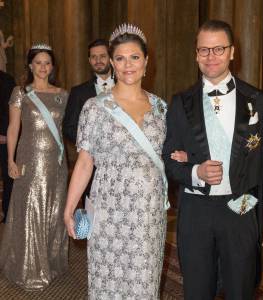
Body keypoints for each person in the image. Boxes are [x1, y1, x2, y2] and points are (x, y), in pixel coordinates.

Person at [162, 20, 263, 300]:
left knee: (241, 289)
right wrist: (195, 172)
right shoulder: (181, 102)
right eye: (204, 50)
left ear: (232, 52)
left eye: (218, 49)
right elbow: (169, 160)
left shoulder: (257, 100)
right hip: (196, 212)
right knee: (197, 292)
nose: (210, 56)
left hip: (241, 208)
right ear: (195, 54)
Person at [64, 24, 168, 299]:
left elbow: (170, 155)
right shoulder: (95, 107)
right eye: (120, 58)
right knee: (107, 281)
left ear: (146, 62)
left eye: (135, 57)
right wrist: (69, 206)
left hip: (148, 213)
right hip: (108, 211)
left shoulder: (161, 108)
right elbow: (85, 161)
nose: (128, 65)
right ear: (112, 63)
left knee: (144, 283)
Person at [0, 43, 68, 290]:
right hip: (29, 160)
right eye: (38, 62)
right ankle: (28, 266)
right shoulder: (21, 93)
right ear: (30, 65)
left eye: (47, 63)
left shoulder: (62, 94)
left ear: (53, 66)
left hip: (57, 162)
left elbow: (63, 130)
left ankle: (51, 262)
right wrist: (10, 160)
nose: (43, 67)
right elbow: (13, 128)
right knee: (31, 210)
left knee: (54, 210)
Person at [63, 38, 114, 206]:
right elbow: (69, 126)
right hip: (90, 164)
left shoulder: (126, 87)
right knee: (92, 213)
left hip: (119, 163)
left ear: (111, 57)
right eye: (93, 57)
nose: (98, 60)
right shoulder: (78, 92)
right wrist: (91, 144)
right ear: (89, 60)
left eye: (102, 56)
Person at [0, 70, 15, 223]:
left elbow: (10, 110)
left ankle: (7, 213)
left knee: (8, 176)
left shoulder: (7, 80)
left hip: (3, 139)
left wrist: (4, 133)